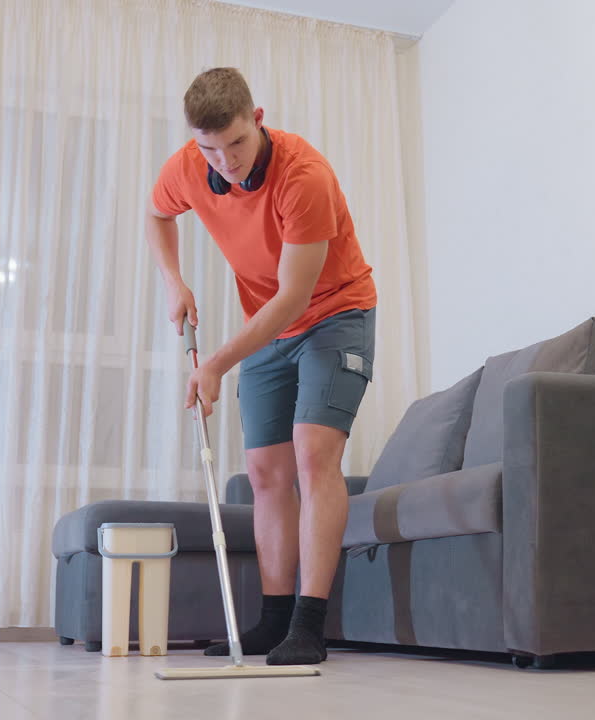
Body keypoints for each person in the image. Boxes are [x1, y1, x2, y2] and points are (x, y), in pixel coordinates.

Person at [146, 67, 377, 665]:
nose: (224, 161)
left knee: (312, 453)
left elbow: (295, 298)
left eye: (237, 144)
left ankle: (308, 625)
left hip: (334, 315)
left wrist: (217, 363)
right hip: (268, 326)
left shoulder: (305, 177)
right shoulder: (189, 166)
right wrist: (174, 281)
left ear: (258, 120)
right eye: (210, 149)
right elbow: (157, 214)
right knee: (265, 471)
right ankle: (273, 622)